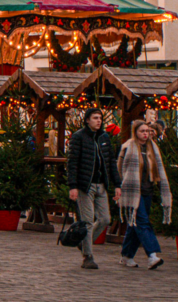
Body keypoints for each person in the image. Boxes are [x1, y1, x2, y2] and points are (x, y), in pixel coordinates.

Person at [67, 108, 122, 269]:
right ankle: (88, 256)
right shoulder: (79, 137)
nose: (98, 121)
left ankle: (85, 243)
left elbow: (111, 162)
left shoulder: (104, 137)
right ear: (87, 120)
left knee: (105, 218)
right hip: (86, 184)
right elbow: (72, 162)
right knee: (87, 220)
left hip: (101, 184)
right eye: (95, 118)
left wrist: (117, 184)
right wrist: (73, 186)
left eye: (100, 118)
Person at [117, 120, 172, 270]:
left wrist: (162, 188)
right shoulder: (128, 147)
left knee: (134, 224)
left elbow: (158, 169)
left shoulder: (153, 148)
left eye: (147, 131)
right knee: (142, 221)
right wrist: (120, 186)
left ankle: (127, 255)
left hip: (147, 190)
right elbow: (119, 168)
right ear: (135, 132)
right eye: (142, 131)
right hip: (132, 191)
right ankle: (152, 255)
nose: (145, 134)